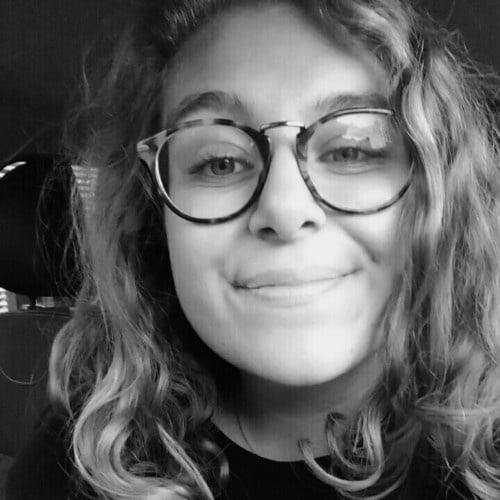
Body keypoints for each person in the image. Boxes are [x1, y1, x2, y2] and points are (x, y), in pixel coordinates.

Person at [6, 0, 500, 498]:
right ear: (155, 216)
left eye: (352, 149)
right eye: (220, 161)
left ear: (439, 192)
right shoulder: (74, 464)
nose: (283, 208)